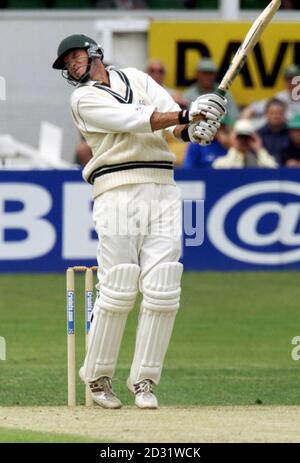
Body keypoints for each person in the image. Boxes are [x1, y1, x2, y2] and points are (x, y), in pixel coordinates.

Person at [52, 34, 226, 409]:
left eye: (75, 57)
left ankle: (144, 381)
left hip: (163, 187)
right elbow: (138, 120)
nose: (71, 65)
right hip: (116, 190)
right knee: (118, 285)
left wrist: (196, 129)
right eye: (65, 63)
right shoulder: (82, 99)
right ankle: (98, 378)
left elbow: (171, 125)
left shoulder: (138, 78)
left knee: (164, 287)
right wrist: (187, 113)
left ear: (94, 52)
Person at [183, 58, 240, 122]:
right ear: (197, 74)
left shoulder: (223, 91)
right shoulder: (188, 94)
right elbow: (185, 118)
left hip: (221, 127)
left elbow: (235, 116)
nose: (207, 76)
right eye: (204, 73)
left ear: (215, 75)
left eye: (210, 73)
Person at [213, 119, 277, 168]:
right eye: (240, 137)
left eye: (247, 137)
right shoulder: (220, 162)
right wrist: (234, 146)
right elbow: (227, 170)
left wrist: (259, 149)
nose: (243, 140)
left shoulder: (256, 162)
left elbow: (275, 170)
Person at [257, 99, 290, 164]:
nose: (276, 116)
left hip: (288, 171)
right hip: (264, 170)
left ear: (284, 114)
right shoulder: (258, 134)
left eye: (279, 113)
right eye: (272, 113)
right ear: (266, 114)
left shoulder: (292, 133)